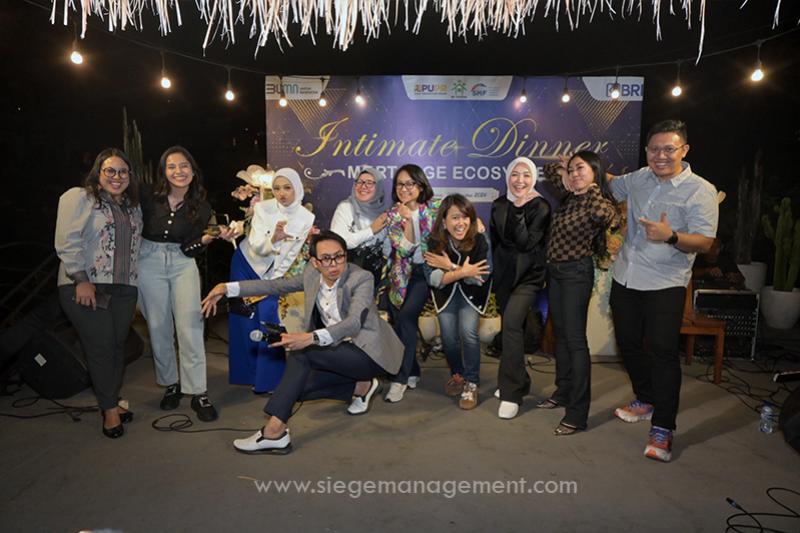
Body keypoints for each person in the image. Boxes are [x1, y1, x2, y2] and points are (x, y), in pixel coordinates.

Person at [201, 231, 403, 454]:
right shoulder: (311, 274)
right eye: (326, 259)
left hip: (369, 353)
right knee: (296, 389)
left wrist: (310, 338)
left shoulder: (360, 278)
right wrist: (226, 288)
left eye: (339, 256)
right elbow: (275, 286)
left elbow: (353, 323)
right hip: (336, 349)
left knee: (302, 356)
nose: (334, 264)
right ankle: (362, 387)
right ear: (314, 262)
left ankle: (274, 432)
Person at [609, 119, 718, 462]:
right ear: (646, 151)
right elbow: (610, 184)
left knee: (662, 352)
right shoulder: (638, 178)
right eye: (654, 149)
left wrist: (671, 236)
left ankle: (663, 427)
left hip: (665, 283)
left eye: (669, 149)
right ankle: (645, 398)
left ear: (684, 150)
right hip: (626, 276)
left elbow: (705, 242)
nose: (661, 156)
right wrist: (578, 169)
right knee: (627, 342)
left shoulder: (700, 190)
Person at [137, 146, 235, 422]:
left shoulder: (202, 207)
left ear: (193, 170)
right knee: (158, 326)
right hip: (148, 260)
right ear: (163, 171)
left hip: (182, 264)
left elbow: (189, 249)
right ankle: (171, 383)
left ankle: (198, 391)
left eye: (184, 166)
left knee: (190, 325)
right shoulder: (148, 196)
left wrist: (205, 239)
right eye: (171, 166)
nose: (178, 171)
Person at [55, 148, 142, 439]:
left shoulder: (133, 207)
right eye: (110, 171)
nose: (117, 177)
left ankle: (111, 401)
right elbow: (67, 241)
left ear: (130, 176)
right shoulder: (80, 198)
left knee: (117, 347)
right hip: (86, 285)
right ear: (98, 172)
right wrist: (80, 279)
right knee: (101, 347)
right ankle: (109, 411)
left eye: (123, 171)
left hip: (124, 288)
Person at [540, 151, 621, 435]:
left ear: (595, 171)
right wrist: (565, 169)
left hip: (576, 273)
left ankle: (577, 413)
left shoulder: (596, 201)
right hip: (555, 272)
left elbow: (604, 215)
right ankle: (562, 392)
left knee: (575, 340)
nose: (575, 174)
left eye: (581, 169)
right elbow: (549, 171)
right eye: (573, 169)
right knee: (561, 335)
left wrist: (593, 186)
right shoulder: (571, 196)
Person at [228, 168, 314, 394]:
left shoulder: (306, 217)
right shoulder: (262, 208)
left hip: (272, 275)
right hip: (245, 264)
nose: (282, 193)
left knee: (268, 319)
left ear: (296, 188)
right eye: (276, 188)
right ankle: (247, 375)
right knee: (244, 319)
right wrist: (274, 240)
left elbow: (291, 254)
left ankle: (269, 381)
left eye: (287, 188)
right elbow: (256, 245)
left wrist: (272, 283)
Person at [490, 157, 551, 419]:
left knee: (513, 325)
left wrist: (519, 209)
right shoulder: (498, 204)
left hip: (529, 276)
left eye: (526, 175)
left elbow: (526, 243)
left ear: (533, 178)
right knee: (510, 328)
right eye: (515, 174)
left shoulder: (541, 206)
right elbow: (497, 242)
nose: (520, 180)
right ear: (507, 177)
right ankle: (520, 379)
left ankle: (511, 392)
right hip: (505, 276)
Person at [423, 194, 491, 410]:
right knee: (449, 338)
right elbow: (434, 279)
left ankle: (471, 382)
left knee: (468, 333)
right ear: (444, 221)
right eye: (454, 217)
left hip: (472, 295)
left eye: (465, 217)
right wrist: (462, 271)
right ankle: (458, 375)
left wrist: (450, 267)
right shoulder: (434, 242)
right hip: (446, 296)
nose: (460, 223)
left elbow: (480, 277)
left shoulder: (480, 239)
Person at [383, 164, 441, 403]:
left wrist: (476, 222)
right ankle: (413, 370)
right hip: (403, 274)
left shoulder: (436, 208)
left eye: (410, 183)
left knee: (406, 317)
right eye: (400, 184)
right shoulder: (393, 215)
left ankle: (400, 378)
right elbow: (404, 250)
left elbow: (460, 217)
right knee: (400, 321)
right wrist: (407, 220)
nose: (404, 188)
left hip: (428, 272)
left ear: (421, 185)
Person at [330, 166, 390, 294]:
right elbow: (338, 243)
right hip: (345, 280)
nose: (363, 186)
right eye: (360, 182)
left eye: (370, 183)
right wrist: (371, 230)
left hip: (372, 281)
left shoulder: (384, 213)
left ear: (379, 187)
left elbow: (387, 250)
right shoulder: (345, 208)